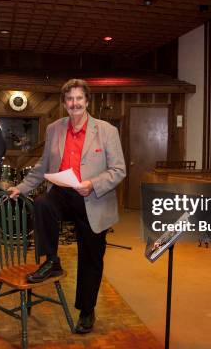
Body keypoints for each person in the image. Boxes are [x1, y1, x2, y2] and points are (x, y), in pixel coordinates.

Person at [7, 78, 126, 334]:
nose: (74, 104)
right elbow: (42, 166)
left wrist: (92, 183)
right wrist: (22, 187)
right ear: (64, 103)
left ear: (86, 101)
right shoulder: (54, 129)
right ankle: (52, 260)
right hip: (63, 191)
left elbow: (119, 170)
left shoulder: (107, 131)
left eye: (79, 99)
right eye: (69, 99)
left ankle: (86, 310)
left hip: (92, 198)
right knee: (42, 204)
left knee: (91, 257)